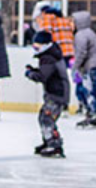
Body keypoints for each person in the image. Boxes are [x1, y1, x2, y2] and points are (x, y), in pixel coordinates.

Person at [24, 30, 68, 158]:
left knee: (47, 118)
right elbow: (46, 73)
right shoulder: (50, 56)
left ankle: (54, 145)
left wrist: (30, 74)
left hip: (56, 93)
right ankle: (48, 141)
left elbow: (43, 76)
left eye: (37, 45)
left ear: (45, 44)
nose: (35, 48)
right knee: (44, 117)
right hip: (56, 92)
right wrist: (33, 70)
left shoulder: (48, 58)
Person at [72, 10, 96, 128]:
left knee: (89, 91)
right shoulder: (90, 32)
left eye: (73, 22)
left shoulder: (80, 34)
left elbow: (81, 53)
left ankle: (93, 114)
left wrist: (75, 67)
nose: (71, 25)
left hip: (92, 67)